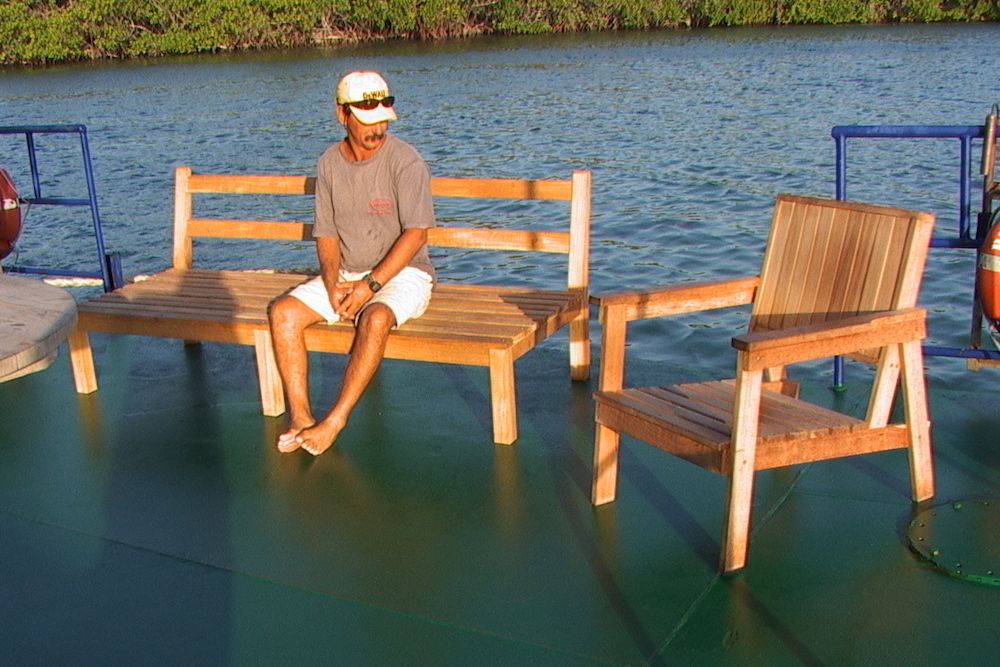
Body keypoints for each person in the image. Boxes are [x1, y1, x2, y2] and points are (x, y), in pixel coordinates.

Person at [268, 70, 436, 456]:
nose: (376, 129)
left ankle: (335, 420)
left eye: (382, 119)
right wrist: (332, 284)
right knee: (283, 313)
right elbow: (326, 235)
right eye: (366, 119)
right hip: (348, 272)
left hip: (404, 273)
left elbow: (416, 235)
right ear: (342, 115)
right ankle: (301, 418)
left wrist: (369, 287)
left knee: (375, 318)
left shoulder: (406, 162)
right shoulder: (329, 163)